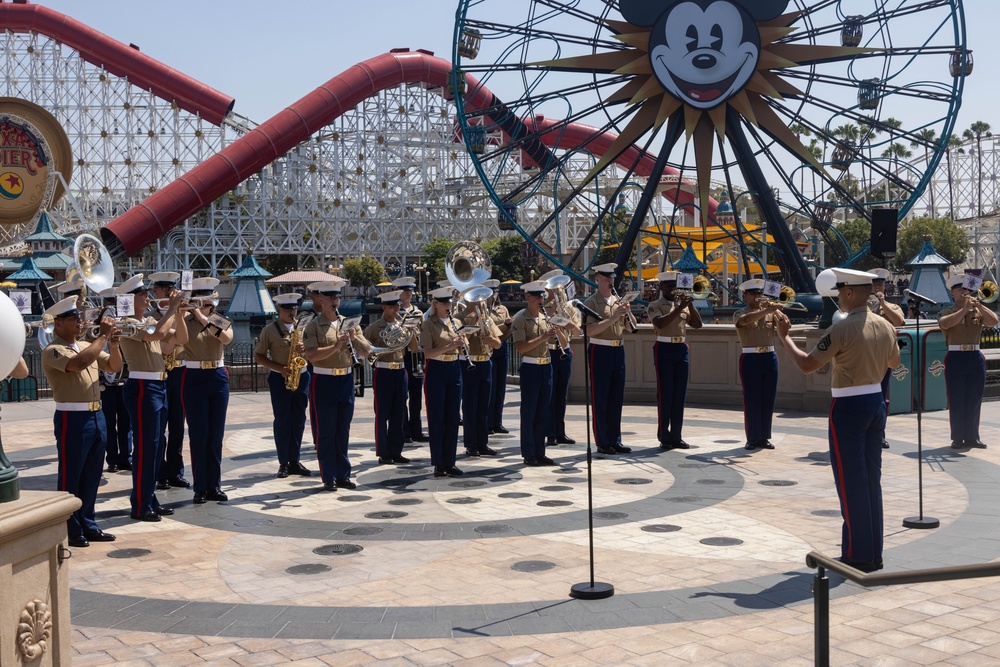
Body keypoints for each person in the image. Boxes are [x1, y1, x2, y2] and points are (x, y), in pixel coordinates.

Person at [776, 268, 900, 572]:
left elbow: (807, 365)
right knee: (871, 481)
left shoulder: (842, 329)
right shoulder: (885, 325)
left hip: (849, 406)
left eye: (840, 292)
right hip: (875, 402)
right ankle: (873, 552)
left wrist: (785, 337)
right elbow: (894, 362)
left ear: (848, 293)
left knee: (850, 482)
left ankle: (857, 555)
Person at [41, 296, 122, 547]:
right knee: (71, 476)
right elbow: (78, 364)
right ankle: (70, 527)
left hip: (96, 414)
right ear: (58, 324)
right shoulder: (53, 350)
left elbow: (114, 366)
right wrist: (103, 337)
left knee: (92, 474)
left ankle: (88, 523)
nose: (79, 322)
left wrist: (115, 343)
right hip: (72, 417)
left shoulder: (86, 345)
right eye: (73, 318)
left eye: (79, 317)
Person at [115, 274, 188, 522]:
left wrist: (178, 313)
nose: (148, 297)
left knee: (157, 448)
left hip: (158, 385)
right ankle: (140, 504)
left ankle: (149, 498)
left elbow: (180, 340)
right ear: (130, 298)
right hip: (143, 386)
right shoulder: (125, 322)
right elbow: (157, 334)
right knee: (146, 448)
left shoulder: (147, 320)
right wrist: (173, 309)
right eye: (142, 294)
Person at [304, 280, 371, 491]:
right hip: (324, 380)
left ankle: (343, 474)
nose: (335, 301)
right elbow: (311, 355)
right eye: (331, 298)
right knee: (326, 431)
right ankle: (329, 476)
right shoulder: (314, 326)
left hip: (346, 379)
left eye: (337, 297)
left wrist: (354, 338)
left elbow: (367, 350)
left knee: (343, 430)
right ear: (321, 300)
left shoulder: (350, 322)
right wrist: (335, 346)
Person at [180, 277, 233, 504]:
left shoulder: (220, 320)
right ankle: (200, 486)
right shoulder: (185, 321)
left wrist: (204, 317)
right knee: (199, 435)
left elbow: (227, 339)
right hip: (193, 376)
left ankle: (214, 485)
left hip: (217, 376)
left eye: (208, 300)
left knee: (216, 435)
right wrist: (189, 313)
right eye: (200, 300)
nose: (205, 305)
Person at [254, 292, 312, 478]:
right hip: (280, 379)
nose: (292, 312)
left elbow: (314, 352)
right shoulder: (269, 330)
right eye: (287, 308)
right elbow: (259, 356)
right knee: (283, 421)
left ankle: (295, 460)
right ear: (279, 310)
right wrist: (280, 368)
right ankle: (283, 462)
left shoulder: (303, 328)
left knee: (299, 420)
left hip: (301, 377)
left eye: (294, 308)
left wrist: (306, 350)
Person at [938, 273, 999, 449]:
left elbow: (994, 322)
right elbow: (945, 324)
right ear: (952, 294)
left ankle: (972, 437)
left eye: (966, 289)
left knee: (974, 398)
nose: (964, 293)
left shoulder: (977, 309)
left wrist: (979, 305)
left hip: (975, 356)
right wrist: (964, 309)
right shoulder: (947, 311)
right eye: (959, 290)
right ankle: (957, 437)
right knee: (956, 397)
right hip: (956, 356)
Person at [647, 271, 703, 450]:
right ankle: (664, 435)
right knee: (665, 394)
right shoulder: (655, 305)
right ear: (661, 287)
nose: (673, 289)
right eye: (669, 286)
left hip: (680, 348)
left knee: (679, 394)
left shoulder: (683, 304)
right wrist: (679, 308)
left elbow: (697, 324)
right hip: (664, 348)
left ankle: (677, 435)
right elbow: (660, 323)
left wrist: (690, 305)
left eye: (675, 286)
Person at [583, 263, 633, 455]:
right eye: (606, 278)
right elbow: (588, 330)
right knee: (601, 397)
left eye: (612, 278)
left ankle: (615, 439)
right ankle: (603, 441)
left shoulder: (617, 301)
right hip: (600, 350)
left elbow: (631, 327)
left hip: (618, 350)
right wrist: (612, 318)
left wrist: (626, 311)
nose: (611, 281)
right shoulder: (591, 303)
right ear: (597, 279)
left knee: (616, 398)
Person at [733, 279, 789, 451]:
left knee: (768, 399)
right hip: (751, 358)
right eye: (753, 294)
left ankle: (764, 436)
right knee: (752, 399)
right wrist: (766, 310)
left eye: (759, 293)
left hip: (769, 356)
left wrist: (781, 316)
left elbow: (785, 329)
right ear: (745, 296)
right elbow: (744, 321)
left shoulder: (770, 312)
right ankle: (752, 437)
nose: (757, 297)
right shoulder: (740, 312)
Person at [148, 272, 191, 491]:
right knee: (158, 428)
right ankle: (160, 472)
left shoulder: (182, 314)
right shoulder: (151, 316)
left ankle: (176, 471)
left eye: (168, 288)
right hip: (160, 372)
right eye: (161, 289)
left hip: (179, 372)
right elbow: (163, 345)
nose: (165, 292)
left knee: (177, 427)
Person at [365, 290, 416, 465]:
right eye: (392, 306)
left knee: (399, 412)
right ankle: (383, 452)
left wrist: (412, 331)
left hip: (400, 371)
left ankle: (396, 451)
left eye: (397, 306)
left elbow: (414, 349)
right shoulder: (373, 328)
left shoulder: (402, 325)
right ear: (383, 307)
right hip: (383, 371)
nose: (396, 309)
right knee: (382, 413)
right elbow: (365, 349)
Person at [420, 286, 467, 477]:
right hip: (436, 369)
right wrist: (450, 345)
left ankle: (450, 461)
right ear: (435, 304)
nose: (448, 306)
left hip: (454, 368)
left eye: (450, 302)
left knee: (452, 417)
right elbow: (428, 352)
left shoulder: (456, 321)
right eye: (445, 303)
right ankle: (438, 463)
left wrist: (463, 342)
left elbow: (465, 347)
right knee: (437, 417)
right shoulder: (428, 324)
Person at [511, 281, 558, 466]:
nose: (540, 300)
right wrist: (544, 337)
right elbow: (521, 348)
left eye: (542, 296)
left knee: (543, 412)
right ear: (527, 297)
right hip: (531, 368)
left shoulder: (546, 317)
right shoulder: (520, 319)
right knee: (529, 412)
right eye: (537, 296)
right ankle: (529, 453)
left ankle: (540, 451)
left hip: (546, 366)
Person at [459, 286, 503, 457]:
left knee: (484, 406)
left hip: (486, 363)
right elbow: (461, 342)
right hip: (468, 363)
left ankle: (482, 443)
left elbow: (498, 343)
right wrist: (471, 323)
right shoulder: (458, 318)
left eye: (481, 299)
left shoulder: (487, 319)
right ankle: (471, 444)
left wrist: (491, 339)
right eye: (476, 299)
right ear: (468, 300)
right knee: (470, 406)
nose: (480, 302)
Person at [97, 288, 132, 474]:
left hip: (125, 380)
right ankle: (112, 459)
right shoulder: (97, 326)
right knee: (109, 423)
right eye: (109, 304)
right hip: (107, 384)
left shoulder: (127, 323)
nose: (112, 309)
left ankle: (126, 457)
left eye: (114, 303)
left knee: (126, 423)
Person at [870, 268, 905, 449]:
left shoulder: (893, 307)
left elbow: (899, 322)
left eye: (881, 284)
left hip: (884, 358)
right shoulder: (863, 307)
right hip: (865, 357)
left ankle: (880, 434)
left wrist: (883, 305)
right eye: (875, 284)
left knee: (882, 397)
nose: (878, 287)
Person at [544, 275, 581, 448]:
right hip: (549, 352)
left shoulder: (570, 308)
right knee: (550, 395)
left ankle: (560, 431)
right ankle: (549, 432)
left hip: (564, 352)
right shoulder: (543, 308)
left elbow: (576, 332)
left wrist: (564, 318)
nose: (556, 291)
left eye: (558, 289)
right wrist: (552, 309)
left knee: (561, 395)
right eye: (552, 289)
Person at [393, 276, 428, 443]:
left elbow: (423, 332)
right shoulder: (395, 311)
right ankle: (404, 430)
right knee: (402, 395)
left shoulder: (417, 312)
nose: (409, 294)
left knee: (416, 394)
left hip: (416, 355)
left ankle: (417, 430)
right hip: (402, 354)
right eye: (405, 291)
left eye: (410, 291)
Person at [488, 280, 513, 435]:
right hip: (489, 348)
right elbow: (491, 331)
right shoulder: (483, 311)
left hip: (502, 346)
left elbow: (506, 331)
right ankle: (488, 422)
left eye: (495, 292)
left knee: (500, 388)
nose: (493, 295)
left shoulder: (502, 308)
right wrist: (505, 325)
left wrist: (510, 325)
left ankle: (498, 421)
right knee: (491, 387)